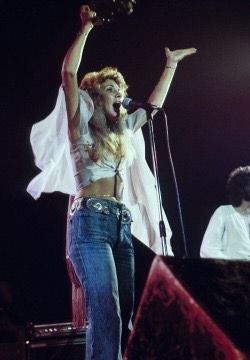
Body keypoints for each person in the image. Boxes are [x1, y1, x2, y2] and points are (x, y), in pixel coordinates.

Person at [27, 4, 196, 359]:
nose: (118, 93)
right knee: (107, 314)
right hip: (90, 223)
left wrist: (171, 65)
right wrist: (86, 27)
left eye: (120, 89)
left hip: (121, 224)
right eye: (110, 87)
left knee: (125, 318)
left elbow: (152, 108)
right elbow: (69, 74)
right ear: (94, 95)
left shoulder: (123, 131)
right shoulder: (79, 127)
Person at [200, 166, 250, 260]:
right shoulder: (223, 212)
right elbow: (207, 250)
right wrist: (232, 265)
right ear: (239, 195)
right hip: (234, 272)